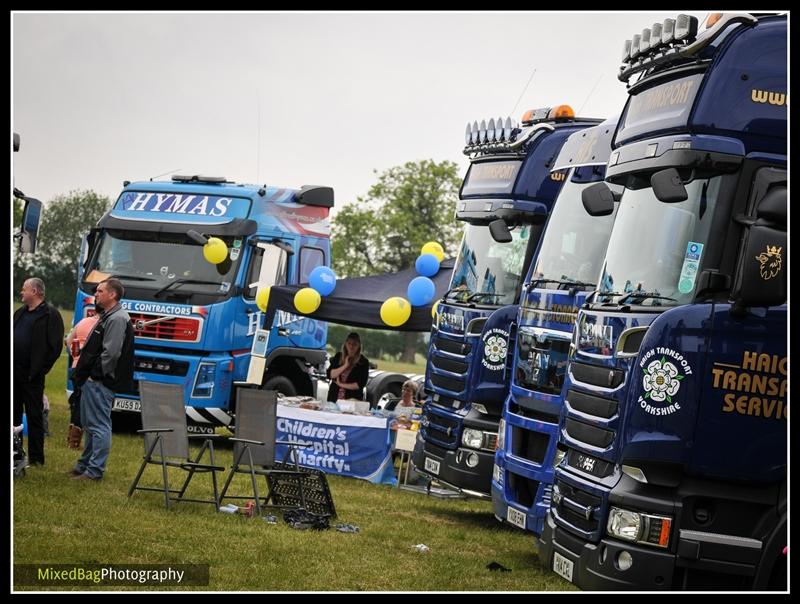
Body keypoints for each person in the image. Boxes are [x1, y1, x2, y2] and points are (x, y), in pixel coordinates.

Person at [69, 278, 135, 481]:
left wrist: (95, 374)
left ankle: (95, 471)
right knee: (90, 424)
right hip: (93, 380)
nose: (95, 294)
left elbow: (111, 353)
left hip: (100, 381)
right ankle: (84, 466)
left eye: (100, 291)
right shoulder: (109, 316)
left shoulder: (116, 319)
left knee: (99, 426)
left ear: (112, 295)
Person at [13, 277, 65, 467]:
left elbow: (55, 347)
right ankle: (15, 454)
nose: (21, 292)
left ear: (34, 292)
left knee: (34, 416)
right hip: (14, 373)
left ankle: (36, 459)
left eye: (24, 289)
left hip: (32, 376)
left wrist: (39, 370)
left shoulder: (51, 315)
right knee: (14, 416)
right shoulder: (19, 313)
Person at [64, 314, 100, 449]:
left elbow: (69, 340)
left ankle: (71, 437)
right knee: (82, 405)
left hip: (75, 367)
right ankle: (74, 441)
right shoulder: (102, 325)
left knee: (76, 402)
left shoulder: (83, 321)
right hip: (88, 370)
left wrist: (75, 356)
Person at [326, 332, 369, 403]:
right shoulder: (338, 356)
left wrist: (341, 384)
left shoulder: (363, 362)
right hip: (334, 398)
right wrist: (345, 365)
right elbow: (330, 374)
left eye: (354, 344)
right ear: (345, 344)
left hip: (352, 400)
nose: (351, 347)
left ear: (359, 346)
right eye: (349, 343)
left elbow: (359, 384)